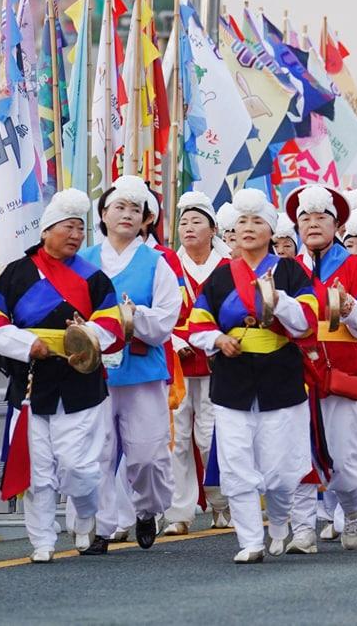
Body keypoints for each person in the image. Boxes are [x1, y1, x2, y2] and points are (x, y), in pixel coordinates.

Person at [0, 189, 125, 563]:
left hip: (82, 381)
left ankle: (86, 518)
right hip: (32, 381)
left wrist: (87, 335)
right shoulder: (17, 273)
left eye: (80, 228)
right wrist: (28, 345)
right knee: (39, 467)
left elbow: (112, 326)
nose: (76, 235)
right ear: (46, 231)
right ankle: (41, 540)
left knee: (80, 467)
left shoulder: (93, 277)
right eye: (68, 227)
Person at [185, 188, 319, 563]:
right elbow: (197, 324)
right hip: (233, 379)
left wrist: (278, 301)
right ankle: (250, 540)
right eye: (242, 221)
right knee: (236, 464)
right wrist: (217, 338)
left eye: (257, 221)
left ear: (271, 230)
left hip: (281, 376)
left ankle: (278, 522)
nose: (248, 228)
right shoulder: (220, 276)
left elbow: (308, 320)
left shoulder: (290, 270)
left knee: (280, 469)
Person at [80, 176, 181, 551]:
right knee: (98, 451)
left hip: (141, 369)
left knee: (147, 454)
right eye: (118, 207)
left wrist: (133, 316)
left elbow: (167, 320)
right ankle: (101, 528)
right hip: (94, 372)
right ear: (103, 214)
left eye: (135, 209)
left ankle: (147, 509)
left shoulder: (157, 263)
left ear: (145, 220)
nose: (126, 215)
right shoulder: (83, 261)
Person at [283, 184, 357, 554]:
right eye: (304, 217)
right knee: (296, 455)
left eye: (321, 216)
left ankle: (353, 513)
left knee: (346, 458)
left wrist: (350, 307)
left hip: (344, 374)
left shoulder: (354, 265)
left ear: (337, 224)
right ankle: (303, 529)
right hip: (296, 374)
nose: (312, 224)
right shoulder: (288, 268)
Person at [164, 192, 231, 535]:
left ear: (213, 228)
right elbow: (161, 311)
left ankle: (222, 502)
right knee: (176, 437)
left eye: (196, 221)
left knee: (210, 435)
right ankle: (179, 511)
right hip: (177, 363)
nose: (188, 228)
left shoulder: (227, 265)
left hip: (218, 361)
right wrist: (175, 339)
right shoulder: (168, 265)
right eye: (184, 222)